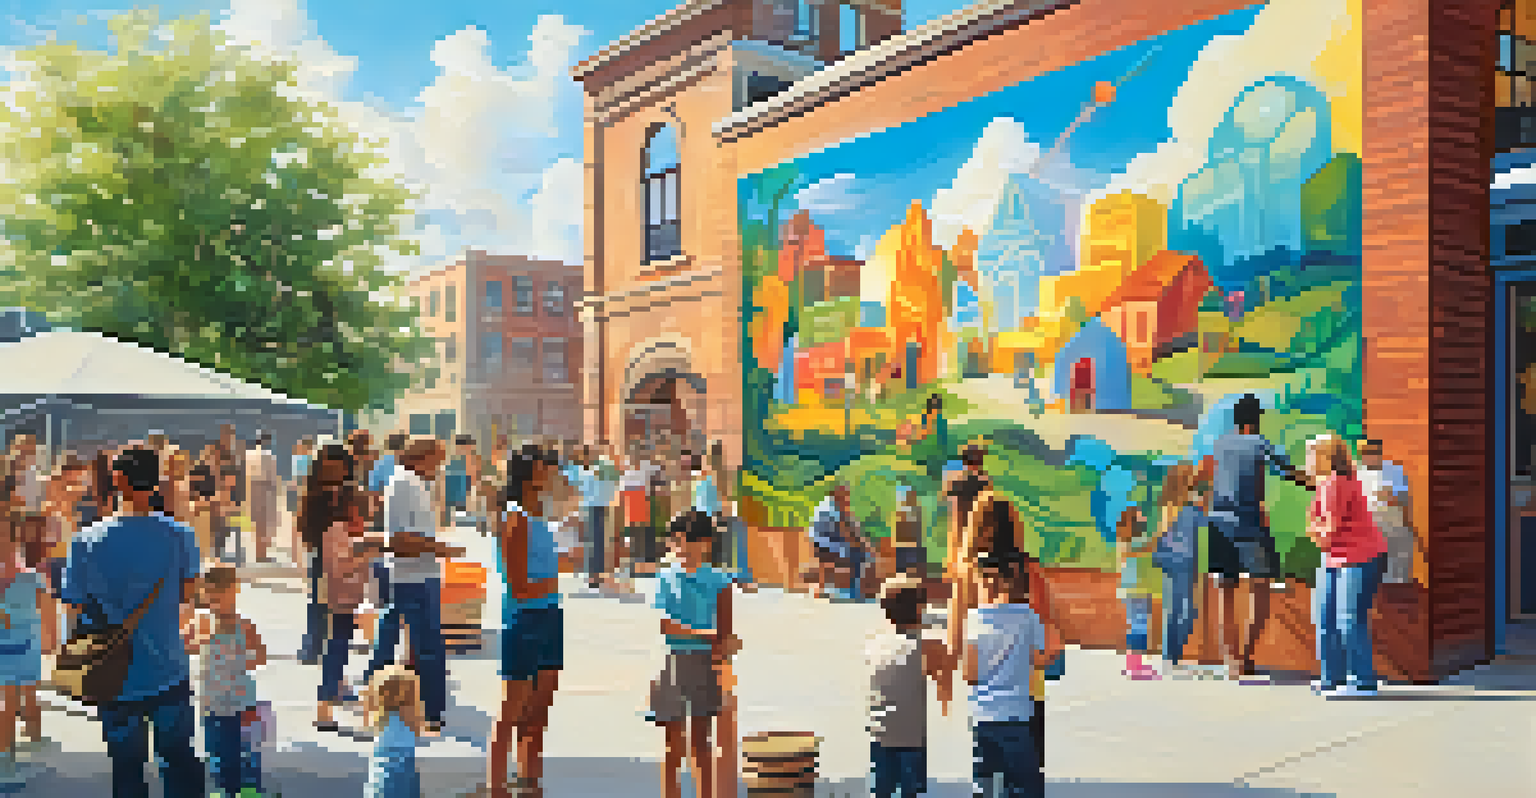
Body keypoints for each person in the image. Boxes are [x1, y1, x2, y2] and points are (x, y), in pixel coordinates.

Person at [61, 447, 205, 798]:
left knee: (126, 769)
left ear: (118, 481)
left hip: (112, 674)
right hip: (168, 667)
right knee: (179, 761)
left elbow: (74, 608)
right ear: (157, 482)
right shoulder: (182, 536)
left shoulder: (85, 541)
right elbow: (189, 594)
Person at [1208, 394, 1313, 680]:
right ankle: (1245, 655)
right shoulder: (1259, 442)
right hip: (1249, 523)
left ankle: (1231, 661)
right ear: (1256, 420)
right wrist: (1322, 483)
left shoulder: (1220, 444)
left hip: (1218, 522)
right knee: (1261, 587)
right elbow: (1290, 473)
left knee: (1224, 593)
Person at [366, 437, 462, 733]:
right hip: (413, 576)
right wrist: (441, 549)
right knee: (426, 646)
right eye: (438, 459)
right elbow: (401, 540)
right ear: (422, 458)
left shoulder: (412, 483)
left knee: (399, 642)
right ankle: (431, 711)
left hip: (417, 574)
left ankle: (385, 705)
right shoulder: (405, 484)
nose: (441, 466)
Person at [489, 445, 566, 798]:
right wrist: (555, 579)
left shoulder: (538, 517)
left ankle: (530, 782)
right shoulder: (514, 517)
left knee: (539, 710)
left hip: (550, 615)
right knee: (513, 709)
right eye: (545, 468)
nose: (552, 474)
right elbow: (518, 586)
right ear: (530, 475)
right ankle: (497, 786)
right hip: (524, 618)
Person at [649, 510, 740, 798]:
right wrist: (708, 636)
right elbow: (665, 624)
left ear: (706, 543)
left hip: (706, 664)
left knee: (702, 739)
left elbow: (726, 632)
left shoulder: (720, 581)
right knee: (672, 742)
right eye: (677, 540)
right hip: (673, 660)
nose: (682, 547)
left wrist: (725, 649)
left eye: (689, 540)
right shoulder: (665, 576)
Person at [963, 549, 1062, 798]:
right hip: (1017, 713)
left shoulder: (973, 619)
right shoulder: (1028, 616)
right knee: (1024, 783)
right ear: (1010, 581)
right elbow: (1039, 659)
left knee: (984, 781)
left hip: (982, 715)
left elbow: (970, 674)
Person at [1304, 435, 1388, 698]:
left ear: (1325, 457)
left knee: (1348, 618)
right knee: (1325, 617)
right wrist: (1316, 528)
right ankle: (1331, 679)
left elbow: (1328, 532)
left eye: (1311, 453)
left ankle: (1362, 682)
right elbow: (1326, 532)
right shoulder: (1329, 483)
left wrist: (1312, 527)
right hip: (1335, 556)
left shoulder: (1335, 484)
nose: (1307, 459)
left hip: (1357, 556)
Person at [309, 446, 381, 731]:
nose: (366, 519)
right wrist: (364, 554)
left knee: (339, 649)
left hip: (347, 601)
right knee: (335, 650)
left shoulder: (345, 531)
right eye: (363, 512)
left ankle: (328, 701)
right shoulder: (335, 532)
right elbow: (342, 568)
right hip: (340, 600)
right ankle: (323, 707)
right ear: (351, 509)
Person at [183, 565, 266, 797]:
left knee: (245, 755)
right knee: (218, 754)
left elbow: (260, 655)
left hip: (243, 702)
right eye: (211, 594)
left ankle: (246, 792)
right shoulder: (200, 622)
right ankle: (226, 792)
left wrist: (240, 659)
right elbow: (183, 646)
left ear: (235, 590)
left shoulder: (245, 625)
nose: (216, 598)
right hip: (212, 704)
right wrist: (194, 638)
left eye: (222, 592)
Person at [866, 573, 945, 798]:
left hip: (879, 736)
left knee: (882, 789)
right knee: (910, 791)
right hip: (911, 739)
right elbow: (942, 673)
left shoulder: (875, 644)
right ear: (920, 609)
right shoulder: (926, 646)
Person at [0, 472, 54, 782]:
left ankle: (20, 745)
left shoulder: (26, 569)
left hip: (24, 634)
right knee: (9, 700)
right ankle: (4, 758)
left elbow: (42, 598)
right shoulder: (19, 568)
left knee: (22, 691)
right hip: (11, 636)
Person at [1153, 462, 1206, 677]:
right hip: (1179, 561)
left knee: (1181, 610)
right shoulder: (1177, 507)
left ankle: (1172, 655)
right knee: (1181, 610)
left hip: (1182, 561)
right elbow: (1163, 534)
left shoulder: (1184, 506)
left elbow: (1203, 524)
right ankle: (1171, 656)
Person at [1353, 439, 1414, 585]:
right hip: (1367, 528)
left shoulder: (1394, 471)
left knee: (1395, 570)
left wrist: (1391, 497)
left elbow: (1404, 498)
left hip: (1392, 526)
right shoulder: (1356, 473)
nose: (1368, 457)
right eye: (1364, 453)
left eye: (1372, 452)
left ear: (1379, 453)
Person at [365, 665, 425, 798]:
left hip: (377, 786)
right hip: (401, 781)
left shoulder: (379, 720)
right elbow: (418, 728)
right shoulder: (408, 719)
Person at [1115, 506, 1160, 680]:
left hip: (1137, 589)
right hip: (1136, 590)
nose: (1144, 520)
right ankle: (1135, 666)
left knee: (1137, 625)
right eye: (1140, 518)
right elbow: (1148, 547)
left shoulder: (1130, 540)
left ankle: (1135, 664)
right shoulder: (1131, 542)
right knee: (1138, 626)